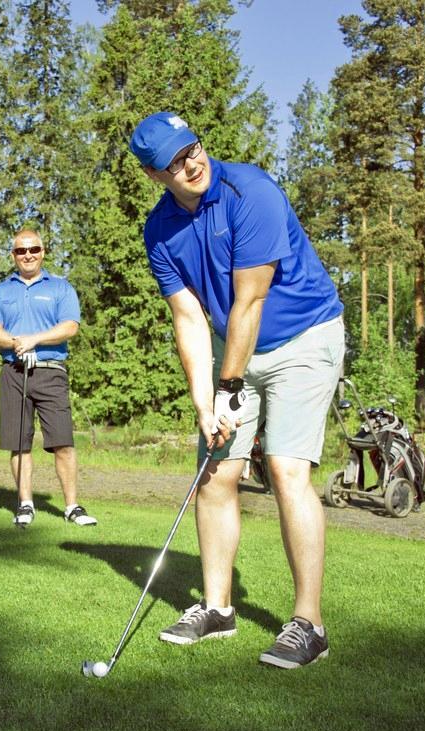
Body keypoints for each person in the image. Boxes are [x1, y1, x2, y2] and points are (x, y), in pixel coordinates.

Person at [130, 112, 345, 669]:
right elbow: (189, 318)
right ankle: (217, 608)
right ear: (156, 176)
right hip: (234, 351)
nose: (191, 163)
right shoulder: (159, 231)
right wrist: (205, 401)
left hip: (304, 337)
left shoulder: (251, 190)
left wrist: (228, 386)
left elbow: (249, 301)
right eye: (174, 162)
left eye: (192, 148)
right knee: (215, 473)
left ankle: (308, 624)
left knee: (285, 469)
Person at [0, 228, 97, 528]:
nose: (28, 255)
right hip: (14, 372)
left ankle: (72, 506)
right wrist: (15, 342)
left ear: (43, 252)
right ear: (13, 255)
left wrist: (35, 339)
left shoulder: (60, 287)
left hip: (50, 371)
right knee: (19, 444)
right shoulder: (1, 291)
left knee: (63, 442)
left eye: (33, 249)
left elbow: (70, 326)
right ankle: (25, 504)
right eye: (21, 251)